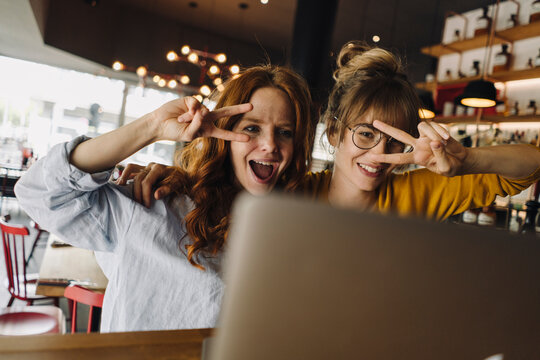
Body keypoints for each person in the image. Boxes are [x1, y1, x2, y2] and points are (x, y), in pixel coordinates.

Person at [14, 64, 315, 332]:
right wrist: (153, 126)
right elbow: (41, 192)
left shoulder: (289, 235)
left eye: (285, 132)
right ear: (223, 135)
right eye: (252, 128)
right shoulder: (157, 202)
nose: (270, 145)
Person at [129, 42, 540, 221]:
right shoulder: (293, 192)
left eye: (395, 140)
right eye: (365, 135)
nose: (379, 153)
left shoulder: (421, 192)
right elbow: (226, 188)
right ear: (334, 134)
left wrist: (465, 159)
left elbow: (531, 165)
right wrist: (178, 179)